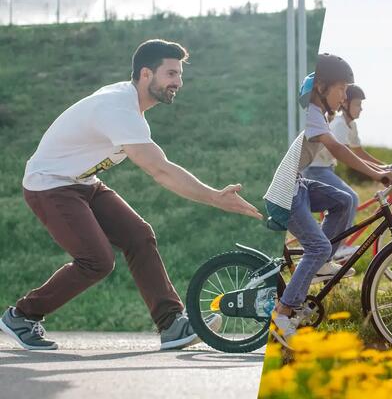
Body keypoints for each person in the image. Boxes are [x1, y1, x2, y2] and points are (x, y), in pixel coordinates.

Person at [0, 39, 262, 351]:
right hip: (49, 185)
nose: (178, 82)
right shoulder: (118, 109)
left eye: (179, 75)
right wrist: (216, 197)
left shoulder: (130, 108)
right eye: (171, 74)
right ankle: (22, 315)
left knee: (139, 235)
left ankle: (172, 324)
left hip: (83, 182)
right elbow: (160, 170)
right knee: (97, 260)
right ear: (146, 74)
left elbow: (157, 166)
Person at [264, 54, 392, 348]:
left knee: (346, 201)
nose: (345, 95)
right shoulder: (311, 113)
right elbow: (338, 150)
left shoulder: (321, 116)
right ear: (321, 88)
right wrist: (377, 174)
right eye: (341, 89)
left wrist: (379, 170)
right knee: (318, 246)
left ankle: (321, 262)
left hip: (299, 185)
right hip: (286, 192)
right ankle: (283, 316)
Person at [303, 83, 387, 261]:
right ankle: (338, 247)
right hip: (315, 169)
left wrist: (383, 167)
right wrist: (377, 173)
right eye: (357, 104)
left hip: (326, 168)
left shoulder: (351, 125)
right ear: (345, 105)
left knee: (346, 200)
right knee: (351, 197)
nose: (361, 108)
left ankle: (330, 248)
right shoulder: (340, 124)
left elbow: (359, 152)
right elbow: (344, 153)